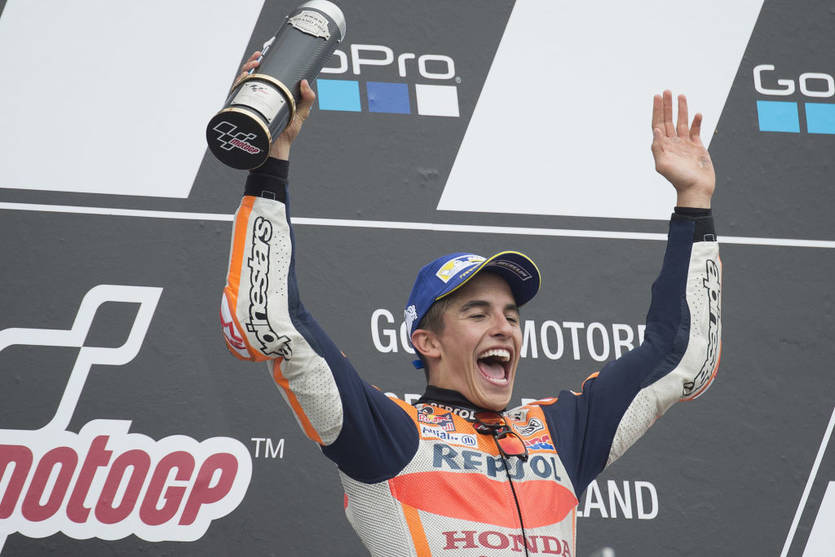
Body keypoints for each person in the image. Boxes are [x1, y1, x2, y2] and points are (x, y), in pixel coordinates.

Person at [219, 52, 722, 556]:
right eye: (478, 313)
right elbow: (271, 321)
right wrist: (271, 162)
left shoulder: (560, 435)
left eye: (511, 315)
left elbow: (680, 356)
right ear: (427, 341)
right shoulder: (388, 434)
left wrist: (694, 202)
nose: (504, 327)